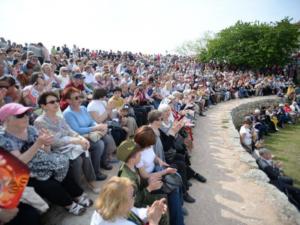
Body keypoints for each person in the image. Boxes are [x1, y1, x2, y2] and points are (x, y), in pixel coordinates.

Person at [0, 103, 92, 215]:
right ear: (7, 120)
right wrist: (38, 144)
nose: (26, 117)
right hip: (24, 173)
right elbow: (20, 163)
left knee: (61, 166)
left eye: (27, 113)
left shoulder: (30, 129)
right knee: (48, 183)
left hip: (40, 163)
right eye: (20, 115)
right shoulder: (4, 139)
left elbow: (46, 152)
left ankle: (77, 195)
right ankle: (69, 204)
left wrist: (47, 143)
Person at [34, 91, 100, 192]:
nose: (56, 104)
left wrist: (81, 139)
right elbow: (54, 142)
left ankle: (91, 182)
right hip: (54, 150)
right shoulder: (40, 122)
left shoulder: (59, 118)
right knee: (77, 160)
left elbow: (70, 131)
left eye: (57, 101)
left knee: (86, 152)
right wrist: (76, 141)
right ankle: (78, 189)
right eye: (52, 102)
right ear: (43, 106)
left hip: (69, 146)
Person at [62, 87, 110, 180]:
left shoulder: (83, 108)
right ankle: (95, 172)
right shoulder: (68, 113)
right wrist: (96, 128)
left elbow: (91, 121)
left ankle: (103, 162)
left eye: (80, 97)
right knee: (99, 144)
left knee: (107, 138)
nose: (80, 99)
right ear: (68, 100)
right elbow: (77, 130)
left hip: (90, 133)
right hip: (80, 138)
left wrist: (99, 127)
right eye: (76, 98)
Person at [90, 176, 167, 225]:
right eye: (132, 195)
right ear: (119, 203)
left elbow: (135, 211)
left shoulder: (103, 209)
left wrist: (150, 211)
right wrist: (154, 221)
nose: (135, 196)